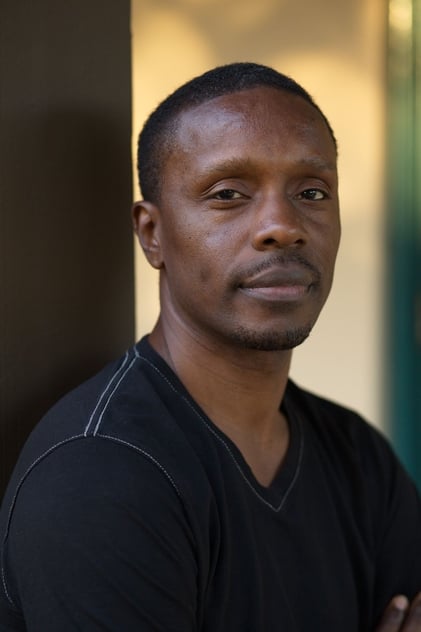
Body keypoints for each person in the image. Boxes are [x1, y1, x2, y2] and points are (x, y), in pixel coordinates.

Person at [0, 62, 420, 631]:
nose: (282, 226)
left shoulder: (359, 459)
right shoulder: (100, 475)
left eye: (312, 192)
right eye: (227, 194)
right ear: (152, 234)